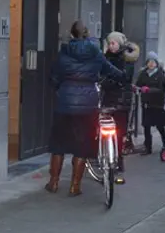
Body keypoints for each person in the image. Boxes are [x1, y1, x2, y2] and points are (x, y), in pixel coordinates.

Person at [45, 21, 126, 195]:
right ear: (87, 34)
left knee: (58, 144)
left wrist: (60, 87)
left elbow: (53, 76)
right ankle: (75, 186)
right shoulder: (95, 52)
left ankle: (53, 182)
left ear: (71, 35)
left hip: (65, 103)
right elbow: (110, 70)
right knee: (82, 145)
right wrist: (123, 76)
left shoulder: (64, 53)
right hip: (88, 103)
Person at [102, 32, 139, 183]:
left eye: (114, 43)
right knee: (105, 127)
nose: (111, 46)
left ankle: (118, 158)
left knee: (118, 131)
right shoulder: (105, 58)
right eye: (109, 43)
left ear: (120, 44)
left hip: (122, 100)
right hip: (108, 98)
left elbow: (125, 78)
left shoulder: (127, 59)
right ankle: (105, 156)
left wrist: (108, 81)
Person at [135, 51, 165, 156]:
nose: (151, 64)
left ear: (156, 63)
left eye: (153, 62)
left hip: (157, 104)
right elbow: (138, 85)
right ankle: (148, 147)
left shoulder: (160, 74)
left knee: (160, 126)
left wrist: (149, 90)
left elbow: (161, 89)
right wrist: (137, 89)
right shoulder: (143, 74)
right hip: (146, 104)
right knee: (146, 126)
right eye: (149, 62)